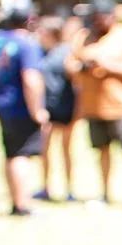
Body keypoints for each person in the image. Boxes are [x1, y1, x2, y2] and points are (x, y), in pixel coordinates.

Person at [70, 0, 122, 209]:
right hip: (95, 106)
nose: (97, 22)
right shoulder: (84, 37)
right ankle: (104, 193)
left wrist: (109, 66)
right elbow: (70, 64)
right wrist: (83, 67)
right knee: (102, 151)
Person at [0, 0, 48, 216]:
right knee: (21, 155)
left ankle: (16, 201)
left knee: (11, 154)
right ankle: (22, 204)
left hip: (3, 104)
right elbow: (31, 79)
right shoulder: (27, 44)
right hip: (21, 107)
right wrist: (38, 111)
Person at [36, 17, 81, 202]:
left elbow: (77, 82)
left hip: (65, 106)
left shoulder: (67, 53)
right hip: (47, 107)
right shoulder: (41, 53)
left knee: (66, 149)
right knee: (44, 150)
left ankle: (69, 189)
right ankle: (46, 187)